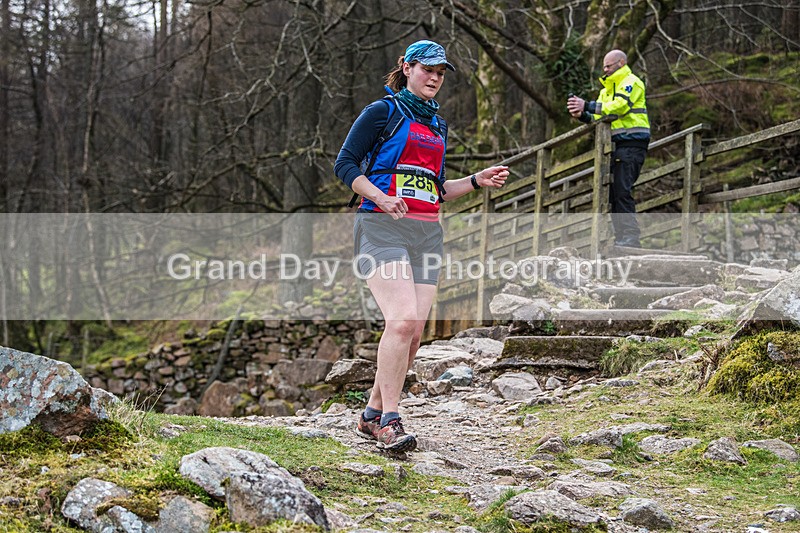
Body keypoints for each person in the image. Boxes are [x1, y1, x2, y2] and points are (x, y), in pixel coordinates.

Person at [334, 39, 509, 452]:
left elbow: (437, 189)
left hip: (427, 233)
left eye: (441, 72)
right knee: (401, 322)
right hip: (382, 227)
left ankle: (370, 415)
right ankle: (390, 421)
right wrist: (379, 196)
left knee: (413, 335)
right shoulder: (382, 112)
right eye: (427, 69)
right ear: (408, 68)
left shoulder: (438, 125)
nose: (434, 77)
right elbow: (344, 165)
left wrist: (475, 181)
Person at [567, 49, 650, 248]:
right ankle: (622, 238)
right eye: (604, 66)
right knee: (613, 193)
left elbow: (620, 106)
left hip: (632, 143)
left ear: (621, 63)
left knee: (622, 190)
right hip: (615, 146)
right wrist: (582, 114)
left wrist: (586, 104)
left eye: (608, 65)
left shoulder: (632, 82)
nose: (604, 70)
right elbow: (599, 117)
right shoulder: (606, 90)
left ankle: (630, 237)